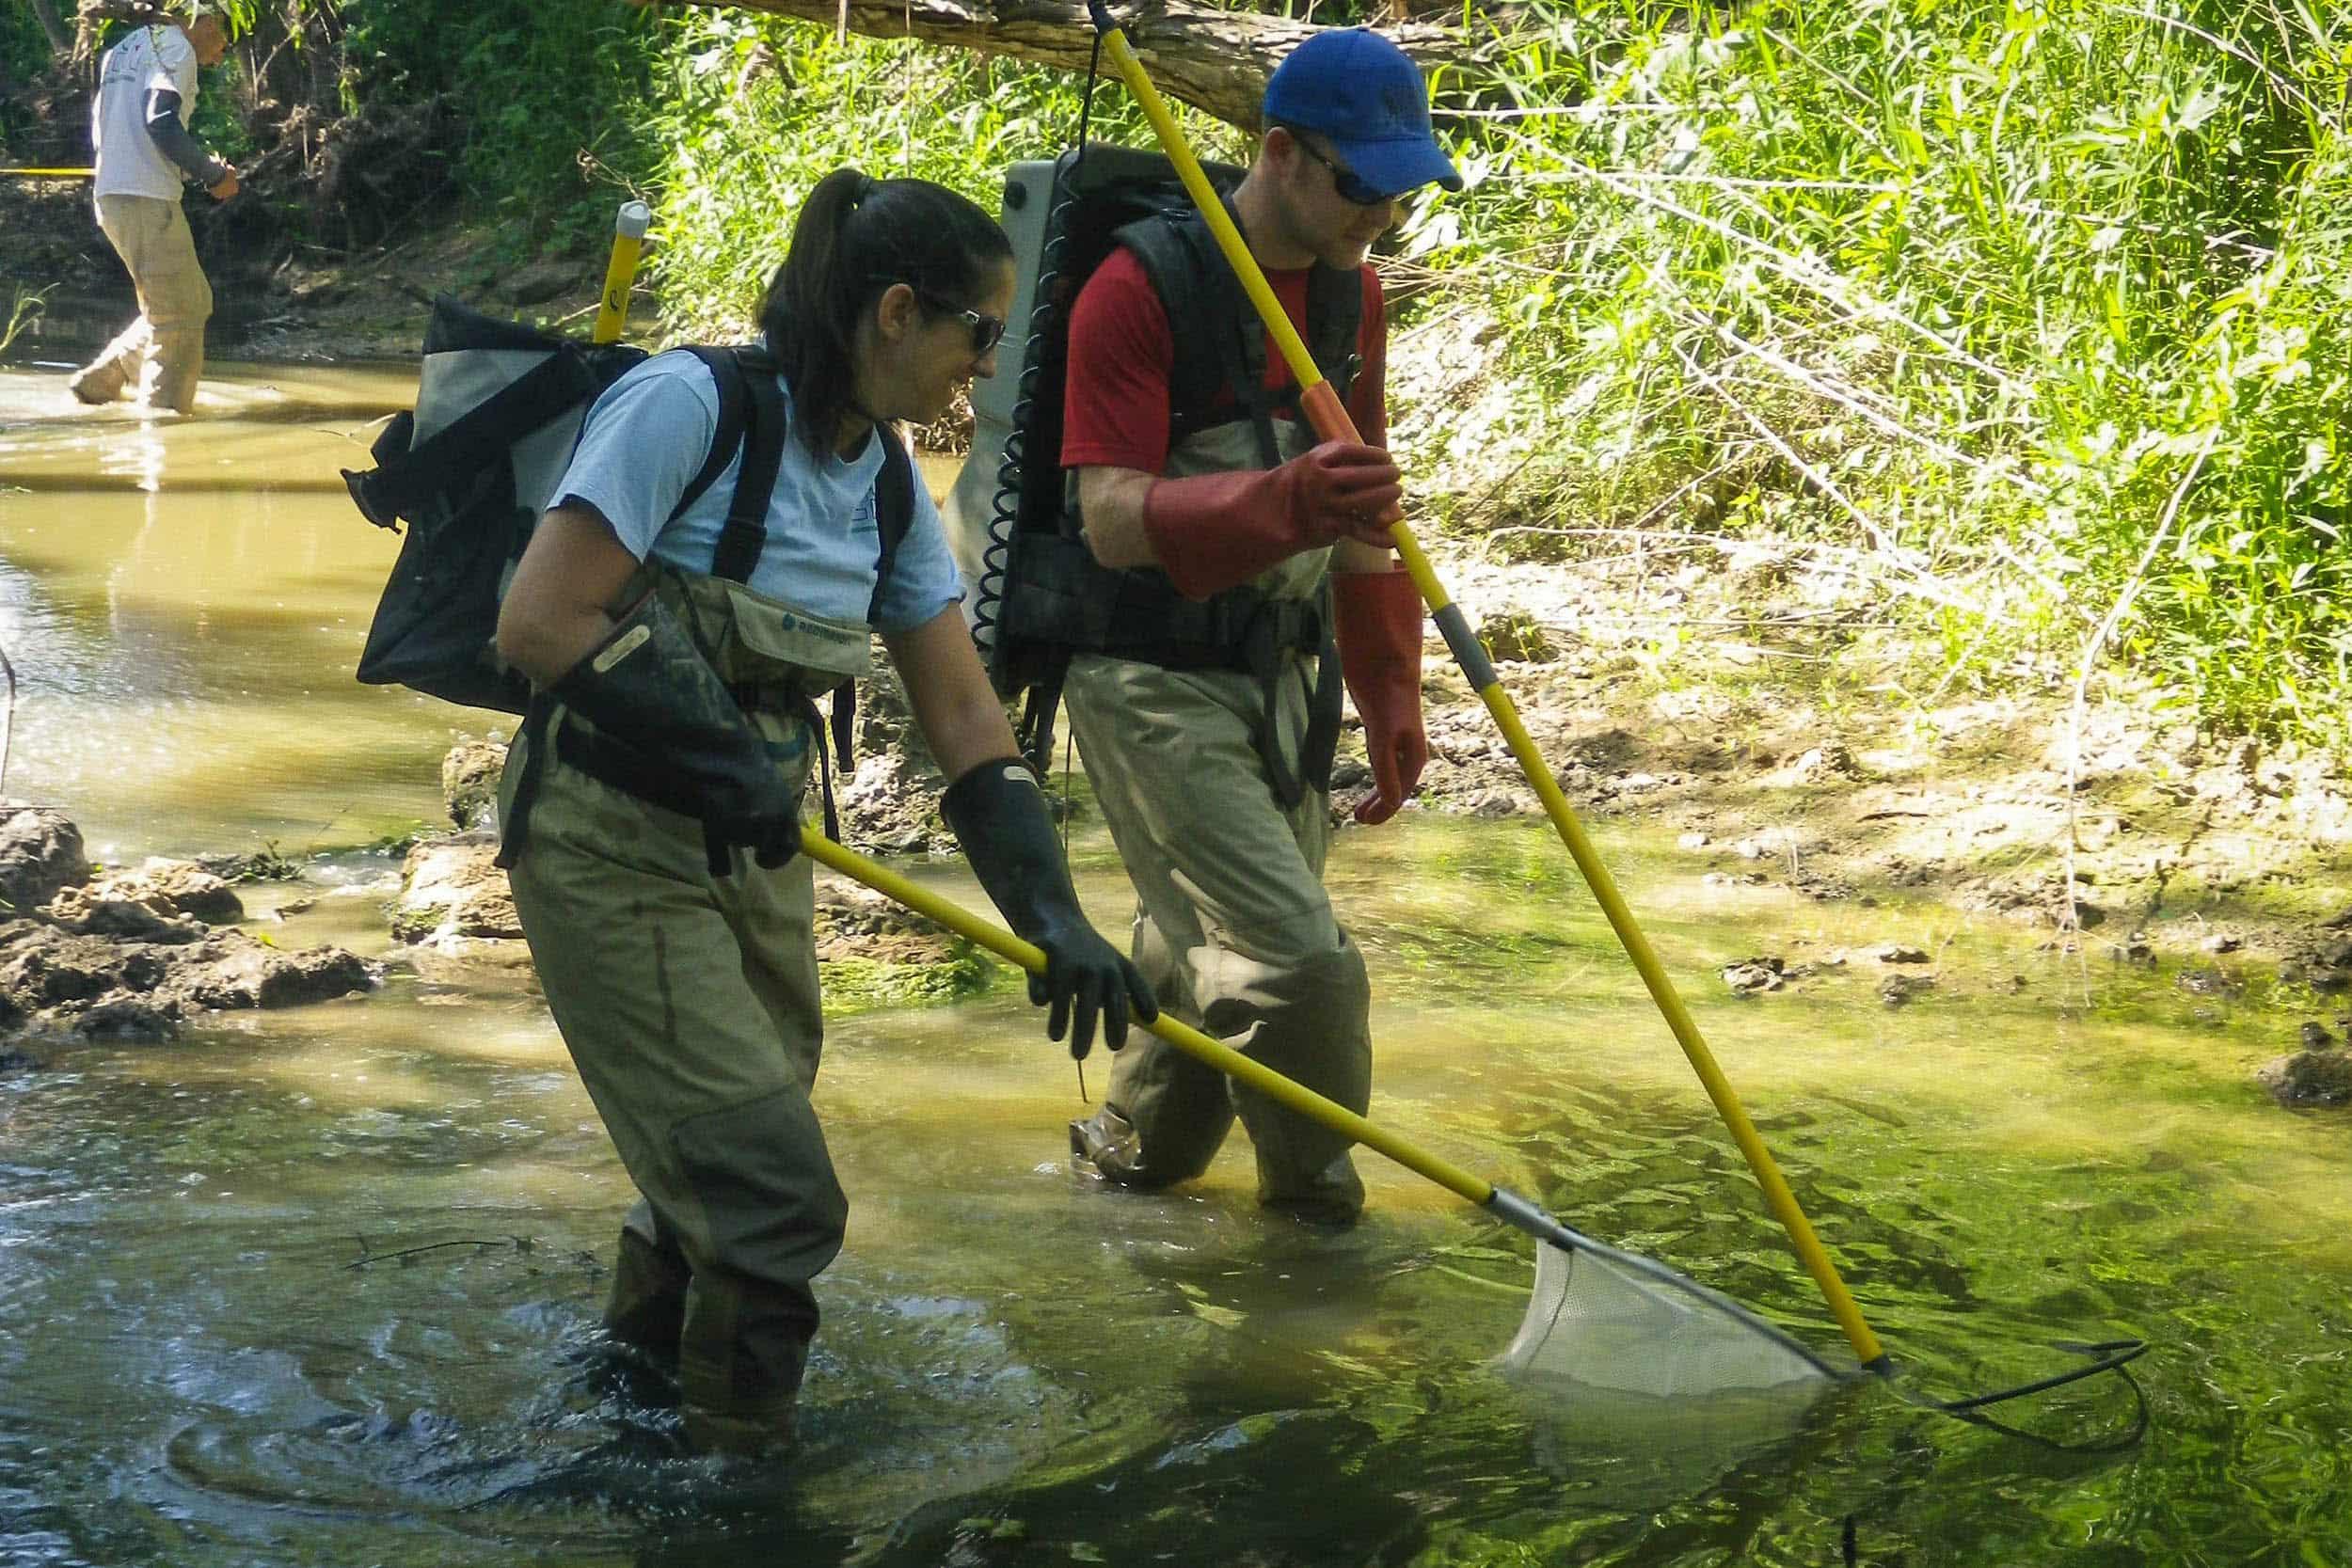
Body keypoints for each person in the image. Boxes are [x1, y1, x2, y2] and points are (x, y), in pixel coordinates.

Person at [491, 167, 1155, 1455]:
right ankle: (747, 1494)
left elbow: (966, 722)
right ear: (899, 312)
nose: (991, 361)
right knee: (770, 1195)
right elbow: (541, 618)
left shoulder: (890, 481)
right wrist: (720, 757)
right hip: (606, 836)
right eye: (984, 331)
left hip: (751, 842)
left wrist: (1057, 914)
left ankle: (637, 1433)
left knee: (731, 1152)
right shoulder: (687, 405)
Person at [1057, 28, 1461, 1227]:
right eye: (1357, 186)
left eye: (1398, 193)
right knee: (1294, 967)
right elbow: (1113, 521)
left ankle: (1122, 1173)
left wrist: (1393, 691)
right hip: (1148, 675)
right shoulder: (1136, 288)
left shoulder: (1355, 291)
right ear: (1279, 153)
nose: (1377, 215)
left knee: (1203, 959)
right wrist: (1285, 499)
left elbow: (1364, 512)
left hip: (1285, 677)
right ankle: (1318, 1233)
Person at [69, 0, 239, 414]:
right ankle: (163, 427)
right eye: (225, 42)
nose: (221, 57)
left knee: (187, 301)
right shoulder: (176, 47)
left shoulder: (126, 48)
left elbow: (116, 124)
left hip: (113, 194)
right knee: (182, 313)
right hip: (145, 196)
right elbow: (160, 119)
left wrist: (188, 169)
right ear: (207, 20)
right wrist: (212, 174)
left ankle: (102, 379)